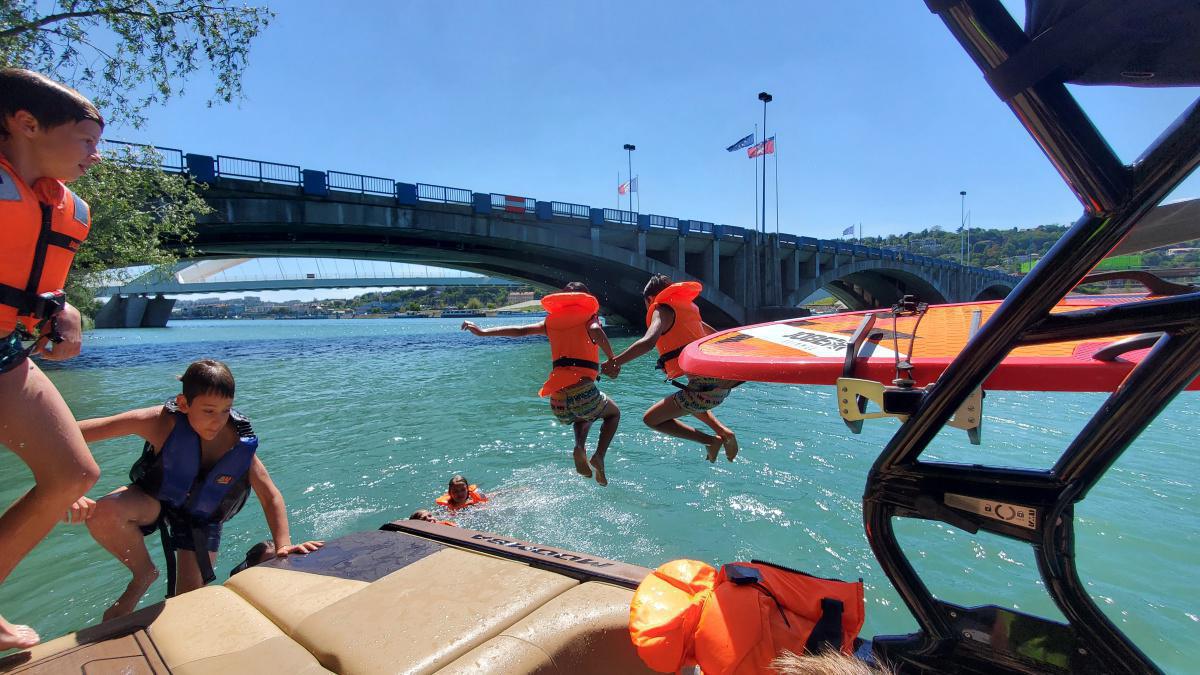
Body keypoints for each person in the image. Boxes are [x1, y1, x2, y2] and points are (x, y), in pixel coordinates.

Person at [69, 359, 323, 621]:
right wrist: (69, 491)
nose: (217, 421)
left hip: (201, 517)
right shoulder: (159, 422)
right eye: (209, 411)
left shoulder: (237, 441)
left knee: (189, 605)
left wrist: (283, 545)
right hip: (155, 499)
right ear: (183, 404)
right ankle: (143, 574)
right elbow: (69, 435)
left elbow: (270, 495)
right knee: (103, 512)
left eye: (226, 410)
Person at [0, 68, 104, 650]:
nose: (95, 155)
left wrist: (65, 312)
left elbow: (37, 283)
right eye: (85, 140)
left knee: (72, 474)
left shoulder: (67, 210)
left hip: (4, 353)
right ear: (27, 123)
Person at [461, 282, 620, 485]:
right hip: (583, 391)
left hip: (557, 401)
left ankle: (579, 446)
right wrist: (612, 358)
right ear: (585, 299)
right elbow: (596, 330)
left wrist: (483, 332)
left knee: (582, 415)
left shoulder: (551, 322)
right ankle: (599, 456)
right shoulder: (589, 318)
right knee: (613, 414)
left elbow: (520, 331)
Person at [604, 275, 741, 463]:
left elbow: (648, 342)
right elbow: (717, 337)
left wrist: (616, 362)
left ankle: (711, 441)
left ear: (649, 299)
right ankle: (723, 432)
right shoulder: (689, 312)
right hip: (722, 385)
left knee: (651, 419)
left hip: (704, 390)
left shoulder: (661, 309)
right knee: (685, 400)